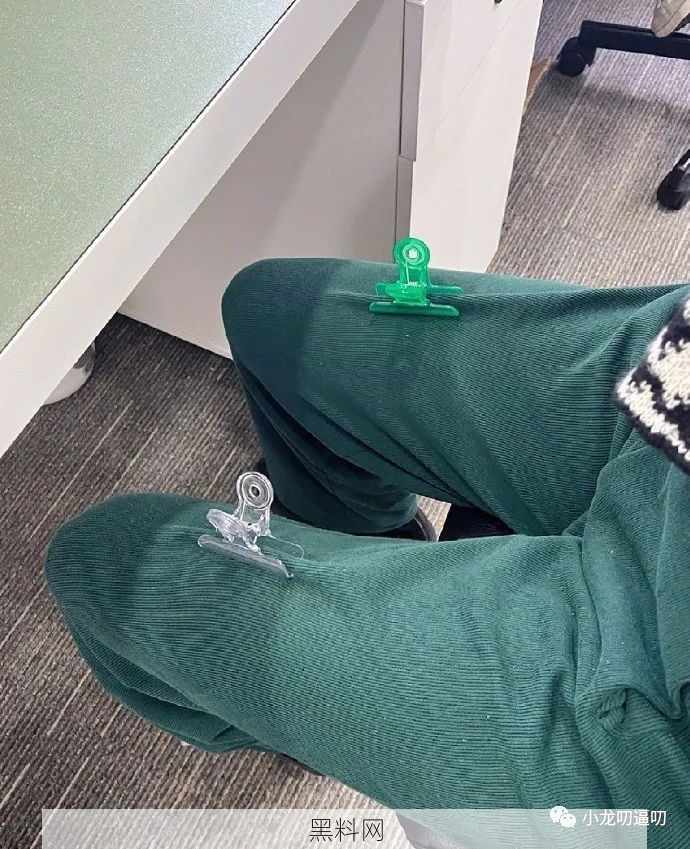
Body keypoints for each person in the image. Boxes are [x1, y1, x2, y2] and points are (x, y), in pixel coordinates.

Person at [45, 259, 690, 848]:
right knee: (271, 308)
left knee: (107, 559)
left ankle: (287, 724)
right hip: (676, 400)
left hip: (650, 725)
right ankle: (368, 547)